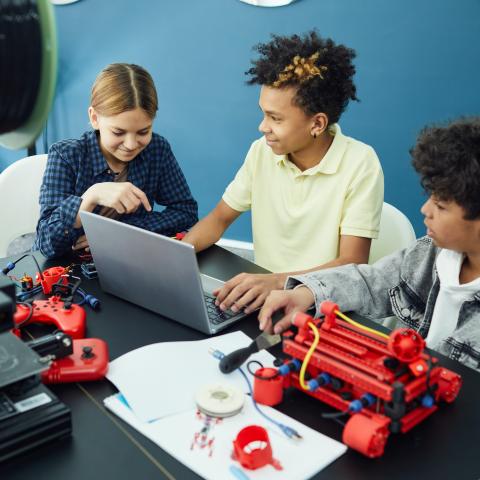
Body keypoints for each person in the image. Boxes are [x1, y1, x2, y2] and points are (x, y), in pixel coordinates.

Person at [183, 31, 383, 315]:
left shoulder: (361, 163)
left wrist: (280, 282)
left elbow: (352, 263)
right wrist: (177, 257)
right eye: (263, 113)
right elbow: (219, 218)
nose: (263, 127)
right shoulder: (261, 151)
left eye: (275, 118)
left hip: (319, 304)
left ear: (317, 124)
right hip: (263, 296)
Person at [258, 118, 480, 372]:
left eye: (441, 207)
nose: (425, 210)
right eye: (431, 198)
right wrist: (306, 294)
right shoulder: (431, 251)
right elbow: (373, 281)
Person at [34, 63, 198, 258]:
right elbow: (45, 243)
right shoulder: (65, 155)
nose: (130, 144)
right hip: (71, 265)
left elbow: (186, 212)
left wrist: (118, 234)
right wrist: (90, 197)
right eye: (118, 132)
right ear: (94, 118)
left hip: (128, 257)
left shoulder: (157, 149)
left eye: (143, 131)